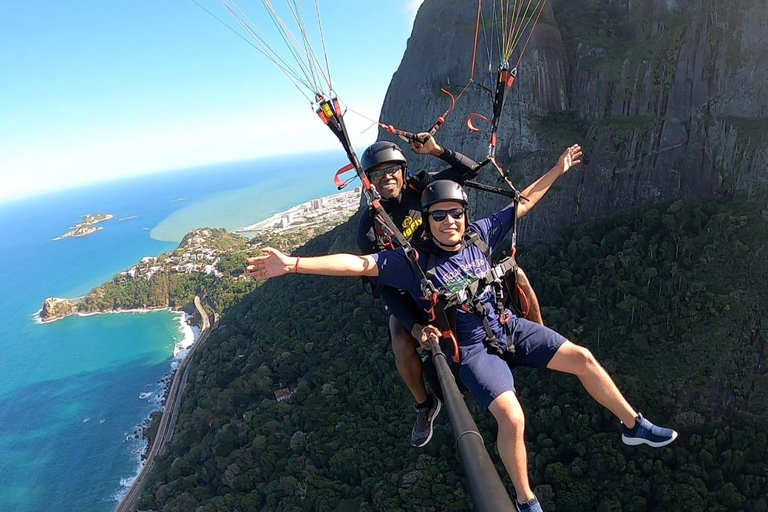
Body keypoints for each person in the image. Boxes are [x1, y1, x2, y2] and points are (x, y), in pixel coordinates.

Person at [248, 144, 678, 512]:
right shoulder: (411, 262)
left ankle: (632, 425)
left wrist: (558, 168)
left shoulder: (480, 234)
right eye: (439, 217)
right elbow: (361, 264)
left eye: (455, 214)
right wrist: (294, 265)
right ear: (428, 221)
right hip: (474, 350)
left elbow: (522, 202)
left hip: (508, 326)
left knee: (583, 357)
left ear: (464, 214)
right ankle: (527, 501)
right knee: (512, 417)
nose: (449, 222)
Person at [357, 134, 543, 448]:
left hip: (455, 268)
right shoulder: (370, 228)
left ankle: (537, 337)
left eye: (392, 170)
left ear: (403, 171)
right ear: (369, 182)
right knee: (400, 337)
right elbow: (385, 289)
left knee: (517, 276)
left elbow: (470, 171)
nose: (386, 177)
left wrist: (437, 150)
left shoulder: (423, 188)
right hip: (412, 291)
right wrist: (415, 327)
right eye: (378, 173)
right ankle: (424, 404)